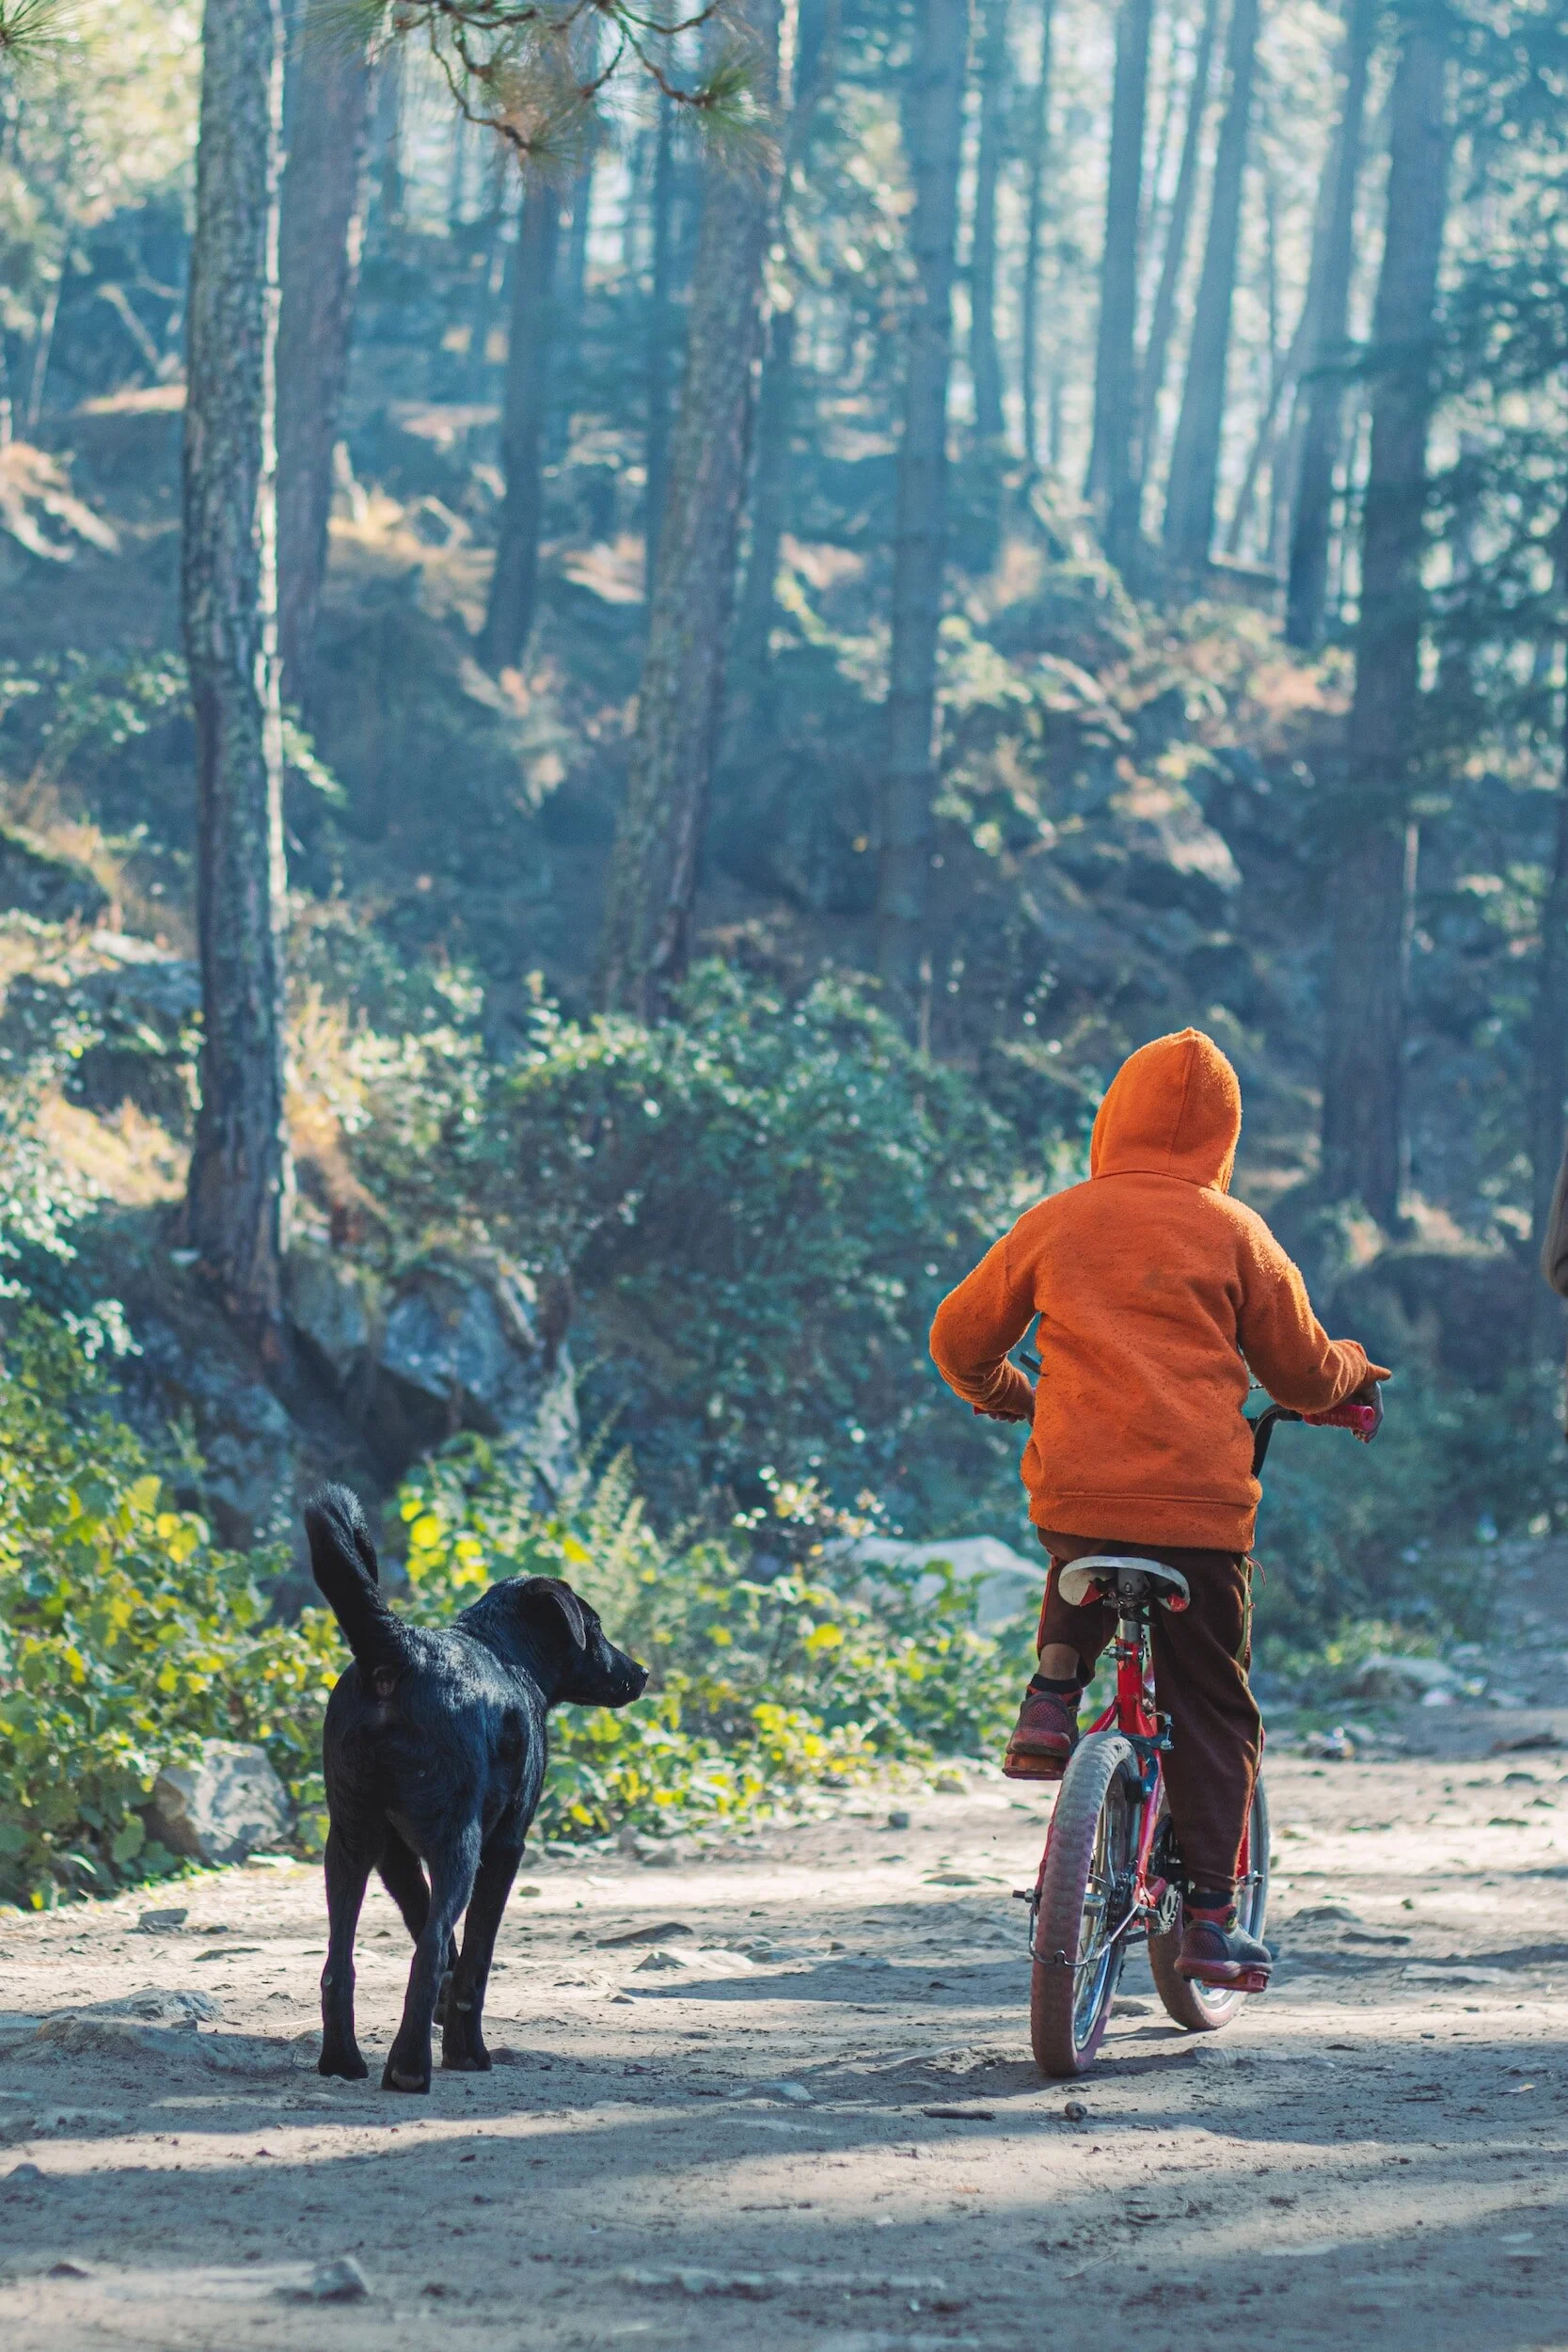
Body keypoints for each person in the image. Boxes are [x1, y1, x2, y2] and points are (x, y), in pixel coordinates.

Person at [928, 1028, 1387, 1990]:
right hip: (1198, 1515)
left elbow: (958, 1336)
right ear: (1221, 1138)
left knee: (1082, 1536)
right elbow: (1300, 1369)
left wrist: (1014, 1393)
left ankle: (1051, 1699)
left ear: (1111, 1120)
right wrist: (1347, 1376)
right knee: (1214, 1708)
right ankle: (1212, 1923)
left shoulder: (1057, 1219)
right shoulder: (1235, 1233)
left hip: (1076, 1496)